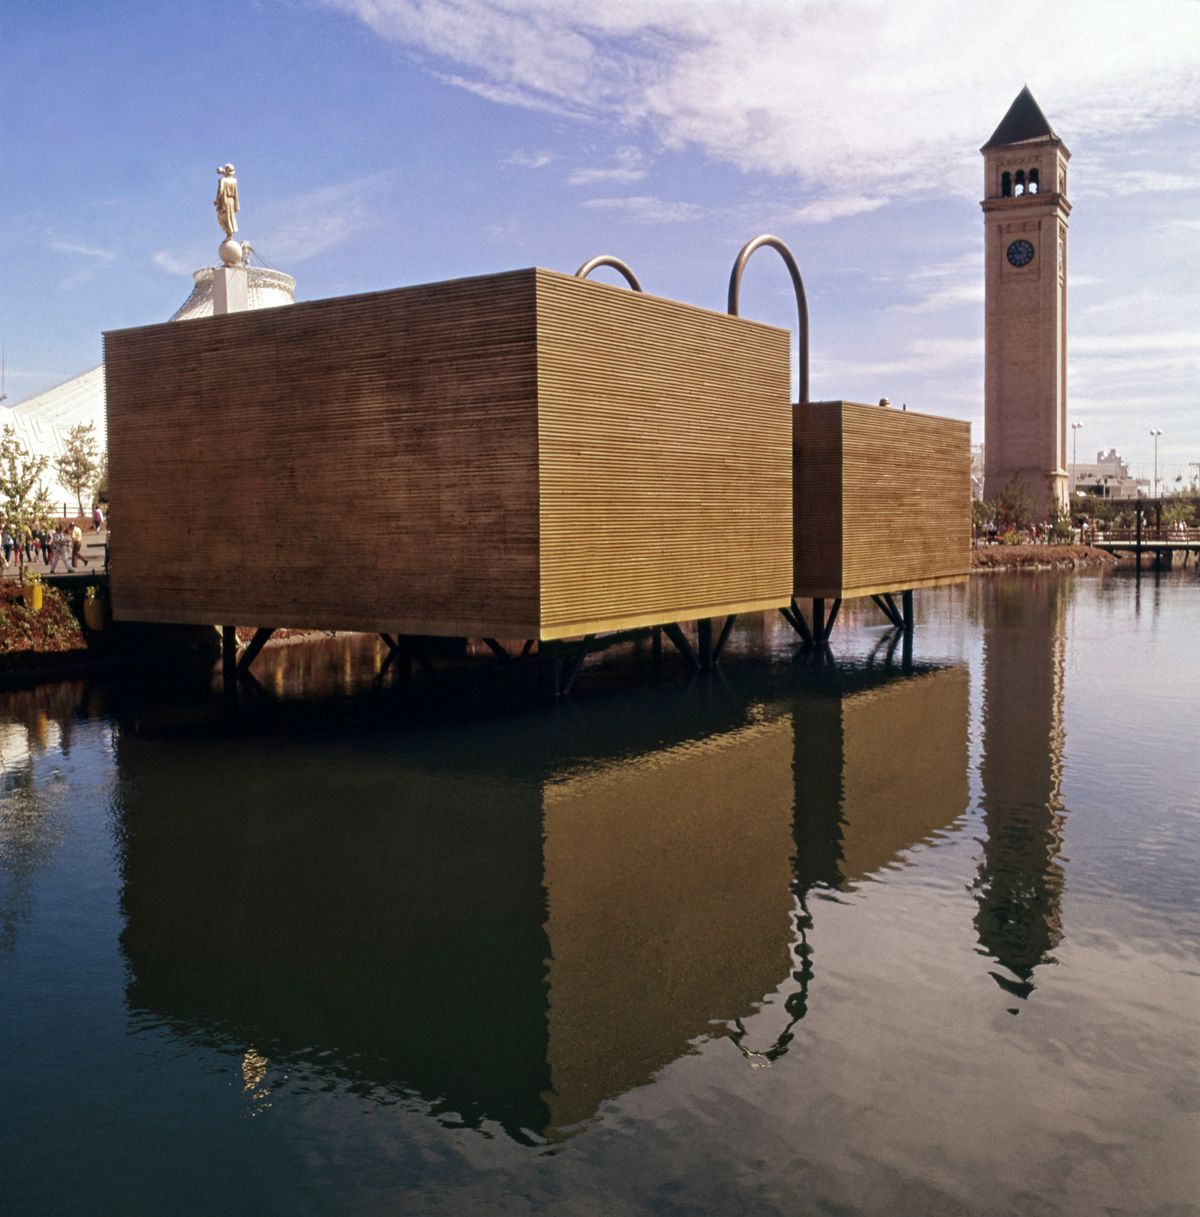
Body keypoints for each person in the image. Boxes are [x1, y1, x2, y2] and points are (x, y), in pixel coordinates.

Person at [215, 164, 239, 238]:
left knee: (221, 218)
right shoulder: (234, 181)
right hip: (232, 201)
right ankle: (230, 233)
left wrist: (217, 200)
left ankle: (229, 233)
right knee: (230, 217)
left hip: (225, 201)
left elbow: (221, 191)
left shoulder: (223, 180)